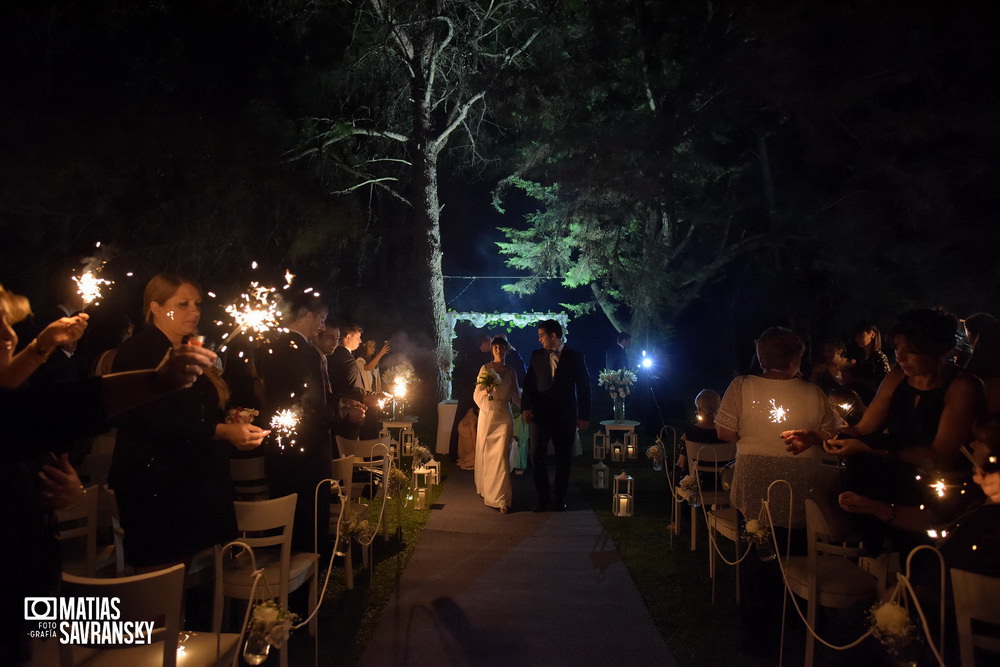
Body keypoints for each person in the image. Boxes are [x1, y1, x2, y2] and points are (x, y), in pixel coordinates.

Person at [2, 282, 219, 666]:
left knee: (141, 627)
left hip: (36, 603)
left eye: (7, 322)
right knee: (140, 624)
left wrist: (60, 492)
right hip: (20, 618)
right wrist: (159, 380)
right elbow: (60, 408)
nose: (8, 335)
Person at [784, 308, 984, 557]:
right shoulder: (896, 379)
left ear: (937, 349)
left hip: (940, 492)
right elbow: (862, 429)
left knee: (922, 558)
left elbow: (939, 457)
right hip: (894, 477)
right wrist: (817, 437)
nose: (900, 357)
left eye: (910, 350)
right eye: (897, 348)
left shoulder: (962, 387)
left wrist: (871, 449)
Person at [110, 273, 269, 570]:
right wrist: (221, 430)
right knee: (165, 580)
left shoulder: (190, 349)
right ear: (155, 307)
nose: (194, 311)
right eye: (182, 304)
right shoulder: (139, 351)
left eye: (196, 303)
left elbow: (196, 409)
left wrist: (231, 419)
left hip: (197, 481)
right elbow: (156, 418)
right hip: (159, 485)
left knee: (204, 581)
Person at [717, 327, 844, 531]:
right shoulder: (814, 392)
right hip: (801, 484)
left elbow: (725, 433)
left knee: (754, 534)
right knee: (797, 545)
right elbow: (833, 434)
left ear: (760, 358)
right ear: (795, 360)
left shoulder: (741, 386)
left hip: (752, 480)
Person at [260, 291, 333, 552]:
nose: (322, 326)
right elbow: (313, 405)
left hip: (280, 446)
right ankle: (308, 577)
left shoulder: (271, 347)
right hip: (308, 451)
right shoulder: (304, 352)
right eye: (322, 318)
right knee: (307, 518)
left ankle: (280, 567)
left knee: (283, 511)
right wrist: (341, 416)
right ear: (309, 314)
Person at [522, 319, 591, 512]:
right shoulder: (536, 356)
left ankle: (559, 498)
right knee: (537, 455)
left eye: (542, 335)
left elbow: (584, 387)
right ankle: (542, 498)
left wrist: (584, 415)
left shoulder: (574, 356)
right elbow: (529, 384)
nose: (539, 340)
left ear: (553, 336)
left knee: (563, 458)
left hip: (565, 415)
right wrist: (526, 406)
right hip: (540, 415)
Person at [473, 336, 521, 513]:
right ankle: (488, 490)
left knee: (501, 457)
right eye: (496, 348)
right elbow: (476, 394)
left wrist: (528, 409)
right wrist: (486, 393)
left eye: (502, 347)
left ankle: (502, 499)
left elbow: (516, 395)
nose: (499, 350)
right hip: (489, 415)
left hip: (504, 417)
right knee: (489, 456)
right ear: (492, 350)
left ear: (506, 349)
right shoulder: (485, 369)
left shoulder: (511, 372)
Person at [845, 323, 891, 404]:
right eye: (856, 336)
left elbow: (885, 381)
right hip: (859, 400)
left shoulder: (879, 357)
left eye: (861, 335)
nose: (857, 339)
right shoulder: (860, 357)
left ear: (872, 335)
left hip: (872, 400)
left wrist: (857, 379)